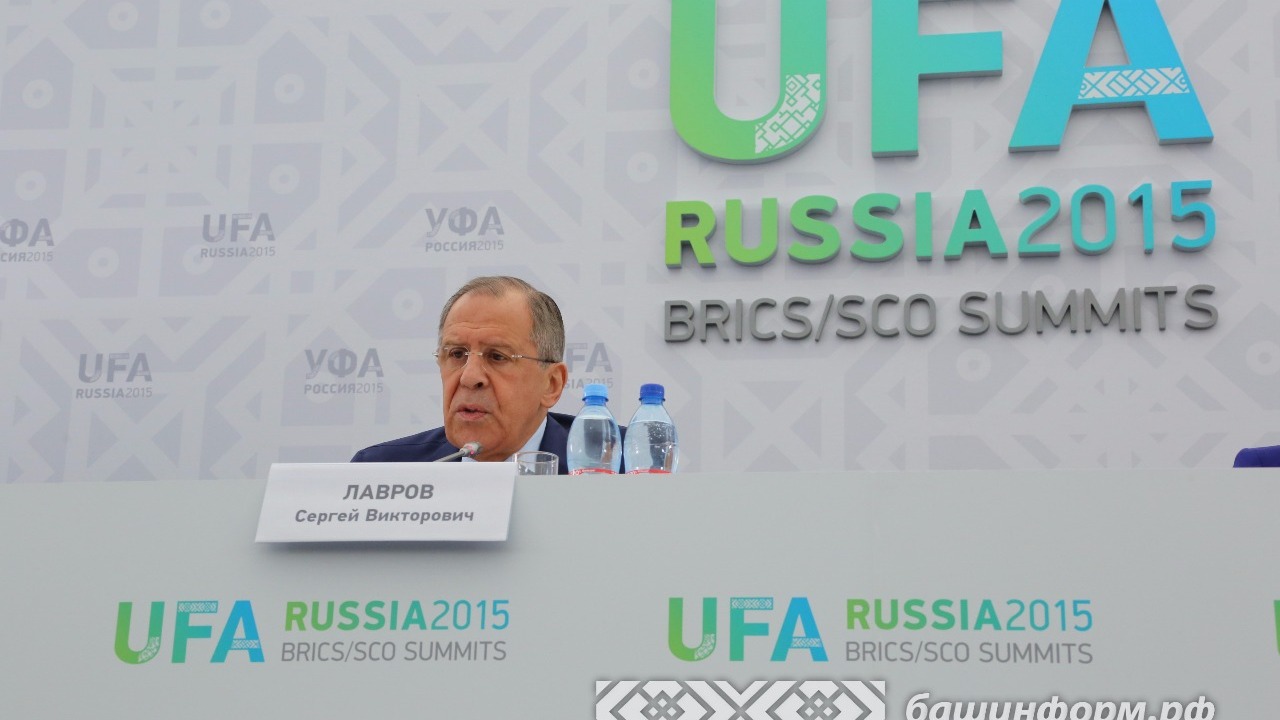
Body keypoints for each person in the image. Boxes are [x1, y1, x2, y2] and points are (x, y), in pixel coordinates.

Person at [351, 276, 573, 472]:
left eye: (497, 356)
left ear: (551, 384)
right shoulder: (379, 474)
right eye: (457, 354)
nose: (469, 377)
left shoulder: (592, 473)